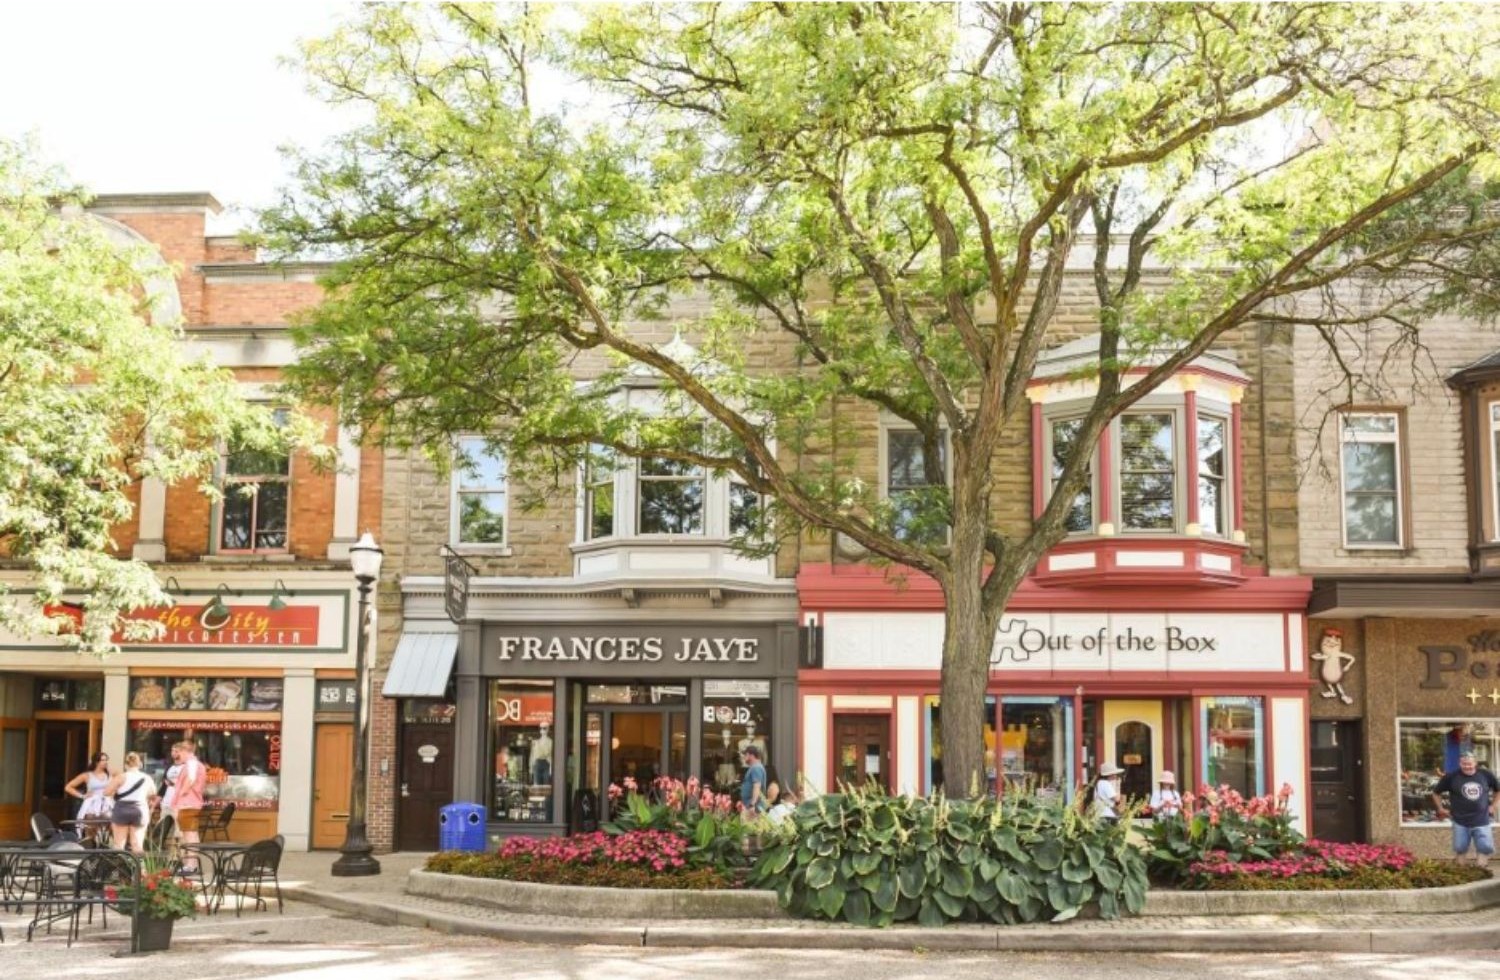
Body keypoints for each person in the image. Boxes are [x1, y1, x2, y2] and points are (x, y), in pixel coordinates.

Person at [1431, 750, 1500, 868]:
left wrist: (1493, 806)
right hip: (1460, 820)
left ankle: (1481, 871)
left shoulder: (1486, 775)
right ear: (1460, 763)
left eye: (1469, 764)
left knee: (1484, 848)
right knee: (1460, 848)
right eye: (1464, 764)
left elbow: (1498, 790)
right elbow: (1436, 793)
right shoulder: (1451, 777)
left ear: (1475, 763)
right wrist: (1440, 808)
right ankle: (1462, 872)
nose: (1467, 766)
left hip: (1481, 820)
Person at [106, 752, 157, 853]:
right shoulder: (146, 778)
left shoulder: (121, 777)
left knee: (119, 844)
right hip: (140, 809)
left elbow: (106, 792)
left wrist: (116, 790)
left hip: (122, 809)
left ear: (125, 764)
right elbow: (153, 794)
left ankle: (120, 868)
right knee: (137, 845)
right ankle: (140, 868)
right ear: (140, 764)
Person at [173, 739, 208, 870]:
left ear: (185, 751)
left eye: (179, 753)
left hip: (188, 803)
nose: (177, 756)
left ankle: (191, 865)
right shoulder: (195, 764)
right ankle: (192, 863)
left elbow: (191, 778)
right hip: (191, 803)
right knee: (191, 834)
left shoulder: (192, 763)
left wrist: (182, 792)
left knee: (189, 835)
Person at [64, 752, 113, 821]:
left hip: (106, 803)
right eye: (103, 760)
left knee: (109, 825)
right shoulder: (87, 775)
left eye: (106, 760)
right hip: (92, 804)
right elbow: (68, 787)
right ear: (96, 762)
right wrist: (82, 796)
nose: (106, 762)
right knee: (91, 826)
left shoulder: (110, 773)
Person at [740, 744, 768, 815]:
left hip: (754, 808)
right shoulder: (754, 767)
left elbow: (757, 786)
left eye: (746, 754)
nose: (744, 757)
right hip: (751, 806)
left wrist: (752, 805)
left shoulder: (756, 768)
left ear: (751, 756)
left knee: (749, 825)